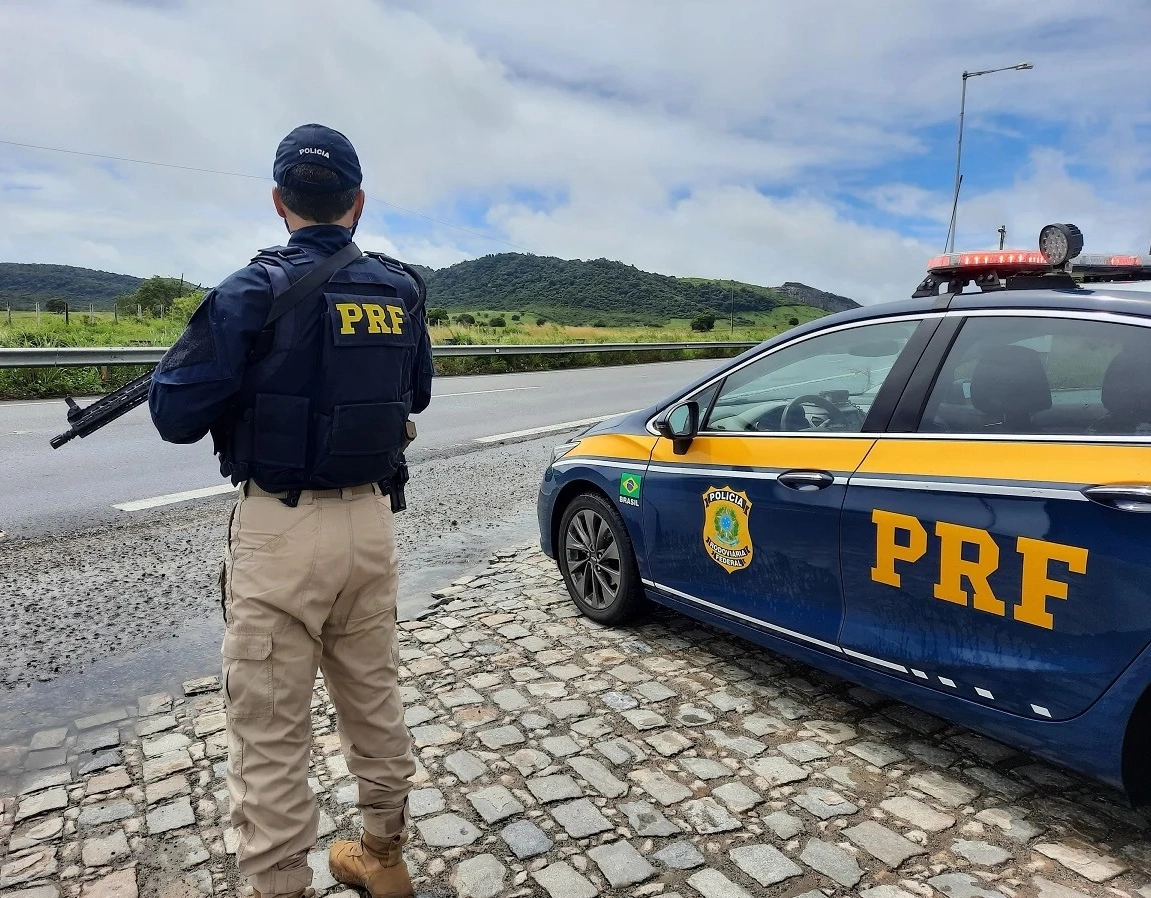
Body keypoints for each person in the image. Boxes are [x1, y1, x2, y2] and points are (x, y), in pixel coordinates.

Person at [149, 123, 433, 898]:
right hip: (370, 525)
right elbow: (415, 395)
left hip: (280, 531)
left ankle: (281, 885)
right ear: (357, 203)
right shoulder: (400, 289)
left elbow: (174, 415)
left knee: (270, 730)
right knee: (373, 698)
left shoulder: (249, 291)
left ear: (280, 202)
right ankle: (383, 855)